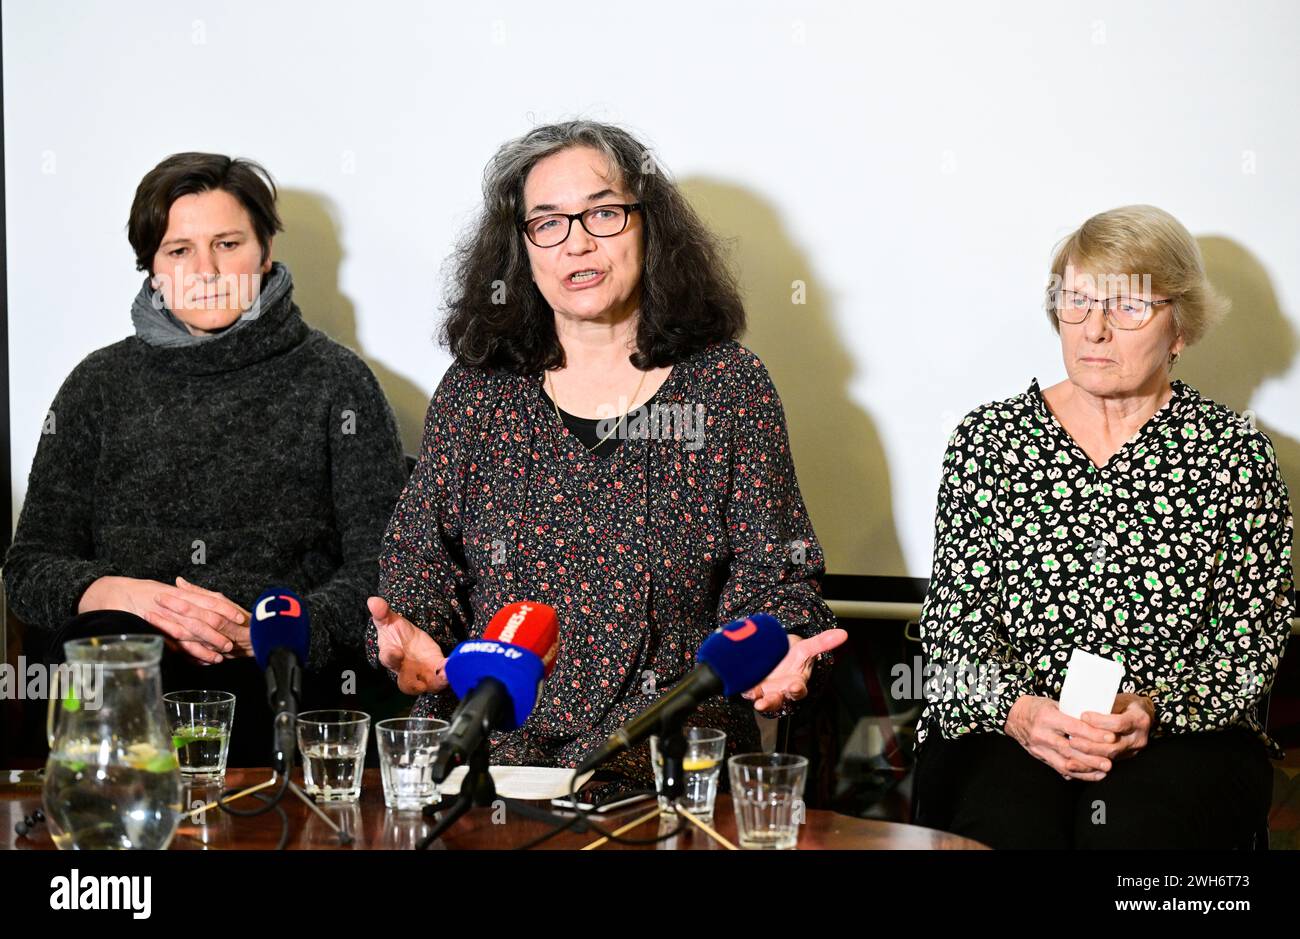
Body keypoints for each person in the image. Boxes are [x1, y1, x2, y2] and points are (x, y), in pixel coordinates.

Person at [366, 121, 846, 784]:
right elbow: (419, 565)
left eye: (603, 212)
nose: (578, 242)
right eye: (548, 223)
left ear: (649, 226)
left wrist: (785, 644)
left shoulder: (728, 386)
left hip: (673, 765)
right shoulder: (477, 393)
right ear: (522, 249)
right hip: (497, 764)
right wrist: (407, 629)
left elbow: (777, 578)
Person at [3, 152, 408, 764]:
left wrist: (275, 632)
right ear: (152, 268)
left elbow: (384, 572)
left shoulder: (338, 383)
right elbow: (28, 571)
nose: (208, 270)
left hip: (283, 678)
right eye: (179, 250)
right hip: (125, 675)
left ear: (265, 251)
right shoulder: (97, 386)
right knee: (103, 655)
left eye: (227, 243)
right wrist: (121, 594)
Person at [912, 204, 1296, 848]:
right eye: (1078, 302)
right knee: (1009, 825)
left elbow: (1248, 649)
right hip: (1008, 730)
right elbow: (952, 642)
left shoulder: (1236, 455)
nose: (1095, 330)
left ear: (1181, 327)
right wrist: (1021, 714)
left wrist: (1151, 713)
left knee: (1133, 835)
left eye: (1128, 308)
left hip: (1181, 738)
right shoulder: (988, 442)